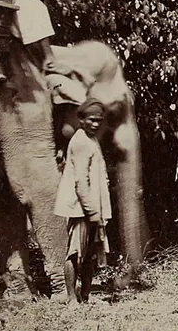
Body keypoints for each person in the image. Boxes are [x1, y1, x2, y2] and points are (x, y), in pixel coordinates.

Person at [53, 97, 112, 305]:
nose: (96, 124)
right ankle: (71, 299)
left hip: (94, 207)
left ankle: (85, 297)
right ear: (81, 119)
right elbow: (81, 181)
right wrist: (91, 211)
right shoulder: (80, 141)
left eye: (99, 120)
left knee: (90, 256)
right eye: (91, 119)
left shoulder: (91, 139)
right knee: (75, 252)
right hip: (82, 209)